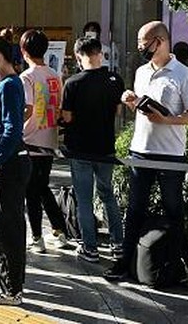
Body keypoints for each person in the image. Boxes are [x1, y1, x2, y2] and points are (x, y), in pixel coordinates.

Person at [104, 21, 188, 281]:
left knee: (174, 209)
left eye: (144, 43)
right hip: (140, 149)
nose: (141, 48)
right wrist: (131, 101)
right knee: (135, 208)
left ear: (160, 41)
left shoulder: (183, 74)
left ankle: (176, 265)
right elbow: (141, 108)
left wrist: (166, 120)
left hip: (171, 152)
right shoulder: (141, 72)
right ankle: (125, 262)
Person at [61, 37, 125, 263]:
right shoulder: (115, 79)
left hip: (80, 149)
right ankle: (118, 245)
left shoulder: (73, 83)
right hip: (105, 146)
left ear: (78, 56)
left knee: (84, 198)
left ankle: (91, 248)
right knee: (108, 195)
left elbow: (67, 117)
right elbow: (117, 111)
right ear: (100, 54)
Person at [0, 34, 31, 306]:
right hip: (13, 161)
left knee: (6, 229)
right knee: (9, 226)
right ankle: (11, 286)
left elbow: (12, 130)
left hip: (10, 164)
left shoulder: (10, 85)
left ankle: (11, 291)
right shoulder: (8, 83)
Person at [18, 29, 71, 254]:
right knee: (42, 187)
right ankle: (59, 231)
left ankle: (37, 237)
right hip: (49, 138)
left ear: (23, 51)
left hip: (30, 139)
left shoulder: (26, 77)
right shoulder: (55, 76)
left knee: (33, 190)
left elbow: (27, 109)